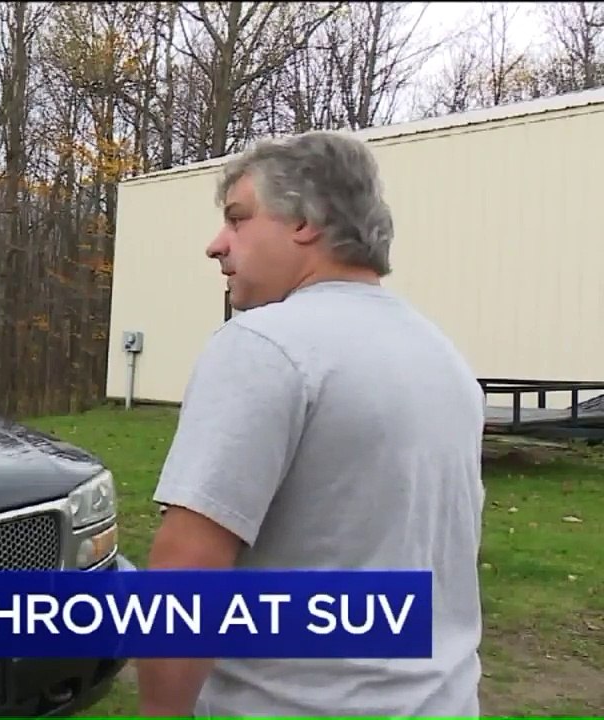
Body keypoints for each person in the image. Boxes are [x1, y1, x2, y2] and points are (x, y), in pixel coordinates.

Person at [136, 131, 485, 717]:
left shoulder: (265, 346)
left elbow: (187, 573)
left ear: (304, 220)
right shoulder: (444, 359)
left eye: (238, 219)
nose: (216, 246)